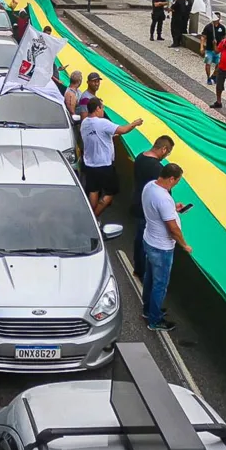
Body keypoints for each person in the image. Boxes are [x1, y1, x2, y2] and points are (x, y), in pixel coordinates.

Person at [141, 162, 192, 332]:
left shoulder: (150, 186)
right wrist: (184, 245)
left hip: (149, 240)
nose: (177, 183)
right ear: (171, 178)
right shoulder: (163, 198)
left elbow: (160, 213)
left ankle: (148, 310)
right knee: (160, 284)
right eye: (177, 181)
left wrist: (174, 210)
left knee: (149, 278)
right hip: (161, 247)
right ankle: (155, 320)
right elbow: (172, 229)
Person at [81, 97, 144, 216]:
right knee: (110, 193)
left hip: (90, 164)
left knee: (93, 190)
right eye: (102, 107)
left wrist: (110, 136)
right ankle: (95, 215)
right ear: (97, 108)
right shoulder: (102, 122)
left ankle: (89, 216)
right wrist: (135, 123)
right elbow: (123, 130)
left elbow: (97, 136)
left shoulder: (85, 122)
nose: (103, 110)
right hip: (104, 165)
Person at [131, 136, 175, 279]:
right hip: (150, 209)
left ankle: (138, 267)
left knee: (139, 238)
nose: (165, 156)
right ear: (163, 149)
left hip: (138, 202)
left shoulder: (139, 157)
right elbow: (163, 191)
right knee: (148, 242)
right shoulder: (157, 168)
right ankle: (145, 273)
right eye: (167, 153)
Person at [199, 12, 226, 85]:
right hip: (209, 49)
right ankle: (208, 77)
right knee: (208, 64)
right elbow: (203, 37)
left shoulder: (222, 28)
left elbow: (224, 39)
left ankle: (214, 75)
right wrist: (201, 47)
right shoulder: (208, 27)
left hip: (218, 50)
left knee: (219, 64)